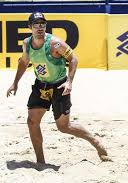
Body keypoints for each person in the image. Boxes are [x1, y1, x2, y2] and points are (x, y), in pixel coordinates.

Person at [6, 12, 110, 163]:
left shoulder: (55, 43)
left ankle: (95, 142)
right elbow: (23, 62)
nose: (40, 27)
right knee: (32, 121)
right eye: (36, 24)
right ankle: (40, 162)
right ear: (30, 27)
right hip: (41, 85)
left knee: (64, 127)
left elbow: (73, 58)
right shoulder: (27, 44)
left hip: (60, 86)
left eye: (42, 23)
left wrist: (69, 81)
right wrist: (15, 83)